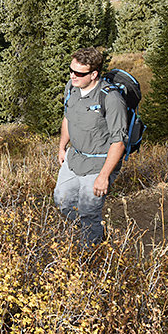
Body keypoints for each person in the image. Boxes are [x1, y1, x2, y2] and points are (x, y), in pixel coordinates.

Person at [54, 47, 128, 246]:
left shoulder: (111, 99)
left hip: (98, 165)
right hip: (74, 158)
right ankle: (94, 229)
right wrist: (62, 147)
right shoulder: (71, 87)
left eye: (79, 73)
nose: (73, 76)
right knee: (62, 202)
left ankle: (92, 252)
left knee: (88, 210)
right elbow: (68, 118)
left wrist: (104, 176)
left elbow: (119, 142)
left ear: (94, 74)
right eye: (71, 70)